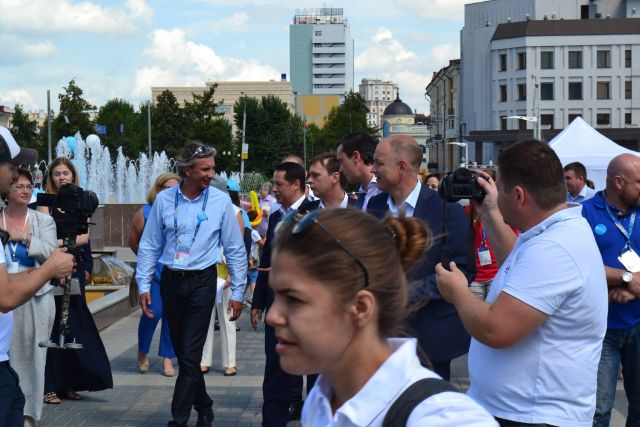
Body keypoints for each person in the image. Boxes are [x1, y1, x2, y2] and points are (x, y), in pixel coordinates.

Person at [267, 208, 497, 426]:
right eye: (275, 296)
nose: (273, 316)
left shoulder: (442, 419)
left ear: (360, 307)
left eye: (294, 300)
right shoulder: (322, 397)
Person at [436, 139, 608, 427]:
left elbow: (496, 329)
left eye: (499, 187)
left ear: (518, 196)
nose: (494, 192)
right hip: (520, 411)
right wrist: (490, 212)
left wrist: (458, 293)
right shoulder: (553, 232)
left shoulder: (555, 248)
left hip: (532, 416)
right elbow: (516, 262)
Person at [136, 141, 247, 427]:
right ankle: (205, 405)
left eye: (213, 168)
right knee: (186, 355)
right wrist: (144, 285)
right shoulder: (164, 200)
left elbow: (235, 249)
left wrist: (237, 293)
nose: (211, 174)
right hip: (171, 281)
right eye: (205, 169)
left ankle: (179, 419)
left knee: (191, 353)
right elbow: (149, 245)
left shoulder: (221, 202)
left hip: (202, 281)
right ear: (187, 170)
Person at [367, 134, 471, 381]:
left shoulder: (446, 209)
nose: (372, 170)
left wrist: (406, 294)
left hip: (429, 339)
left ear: (401, 166)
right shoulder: (374, 207)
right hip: (379, 337)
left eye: (379, 163)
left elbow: (463, 269)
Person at [0, 126, 74, 427]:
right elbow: (5, 299)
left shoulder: (41, 219)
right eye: (12, 168)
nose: (17, 177)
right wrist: (50, 268)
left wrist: (29, 274)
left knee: (17, 398)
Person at [250, 162, 318, 426]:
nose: (274, 189)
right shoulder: (277, 217)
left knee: (312, 371)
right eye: (274, 183)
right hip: (277, 309)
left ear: (296, 185)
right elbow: (267, 262)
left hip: (307, 310)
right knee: (275, 369)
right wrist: (257, 302)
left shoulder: (315, 213)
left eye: (279, 184)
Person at [42, 156, 113, 405]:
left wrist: (84, 263)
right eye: (57, 174)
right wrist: (62, 245)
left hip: (74, 269)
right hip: (50, 270)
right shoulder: (45, 202)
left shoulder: (81, 201)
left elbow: (85, 239)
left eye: (66, 173)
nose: (62, 178)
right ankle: (49, 384)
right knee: (52, 325)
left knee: (73, 324)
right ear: (50, 178)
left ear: (73, 176)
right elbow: (45, 239)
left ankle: (69, 382)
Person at [581, 153, 640, 426]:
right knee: (599, 410)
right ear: (618, 182)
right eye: (639, 182)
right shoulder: (584, 214)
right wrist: (627, 278)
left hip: (638, 323)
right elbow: (581, 268)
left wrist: (634, 290)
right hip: (599, 329)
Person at [6, 169, 57, 426]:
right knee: (8, 356)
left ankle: (28, 416)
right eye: (19, 186)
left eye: (29, 186)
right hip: (5, 294)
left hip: (37, 297)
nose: (26, 190)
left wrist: (25, 238)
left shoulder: (42, 221)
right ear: (8, 190)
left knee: (35, 360)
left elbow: (51, 253)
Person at [129, 172, 180, 377]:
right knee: (152, 313)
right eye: (168, 188)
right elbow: (134, 242)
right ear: (157, 189)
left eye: (176, 188)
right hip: (154, 275)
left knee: (172, 317)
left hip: (176, 273)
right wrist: (146, 262)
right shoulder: (145, 212)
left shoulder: (182, 210)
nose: (172, 192)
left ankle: (168, 359)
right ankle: (142, 351)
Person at [200, 178, 245, 377]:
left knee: (227, 318)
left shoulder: (235, 212)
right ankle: (204, 359)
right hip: (204, 270)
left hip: (225, 272)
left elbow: (237, 247)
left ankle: (230, 362)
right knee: (204, 318)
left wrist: (232, 274)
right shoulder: (201, 210)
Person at [336, 131, 381, 210]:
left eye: (341, 161)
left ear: (356, 157)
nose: (340, 169)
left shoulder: (388, 192)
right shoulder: (361, 196)